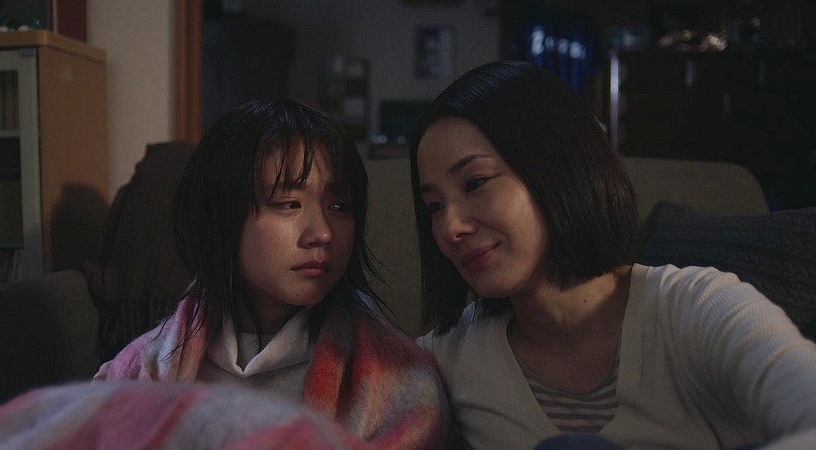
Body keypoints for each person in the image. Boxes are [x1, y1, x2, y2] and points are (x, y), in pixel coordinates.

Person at [410, 60, 816, 449]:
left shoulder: (697, 306)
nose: (450, 228)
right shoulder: (450, 357)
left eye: (476, 182)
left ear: (560, 169)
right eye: (434, 207)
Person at [94, 98, 450, 449]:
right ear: (220, 216)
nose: (322, 233)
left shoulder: (401, 384)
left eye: (339, 206)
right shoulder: (139, 372)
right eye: (289, 204)